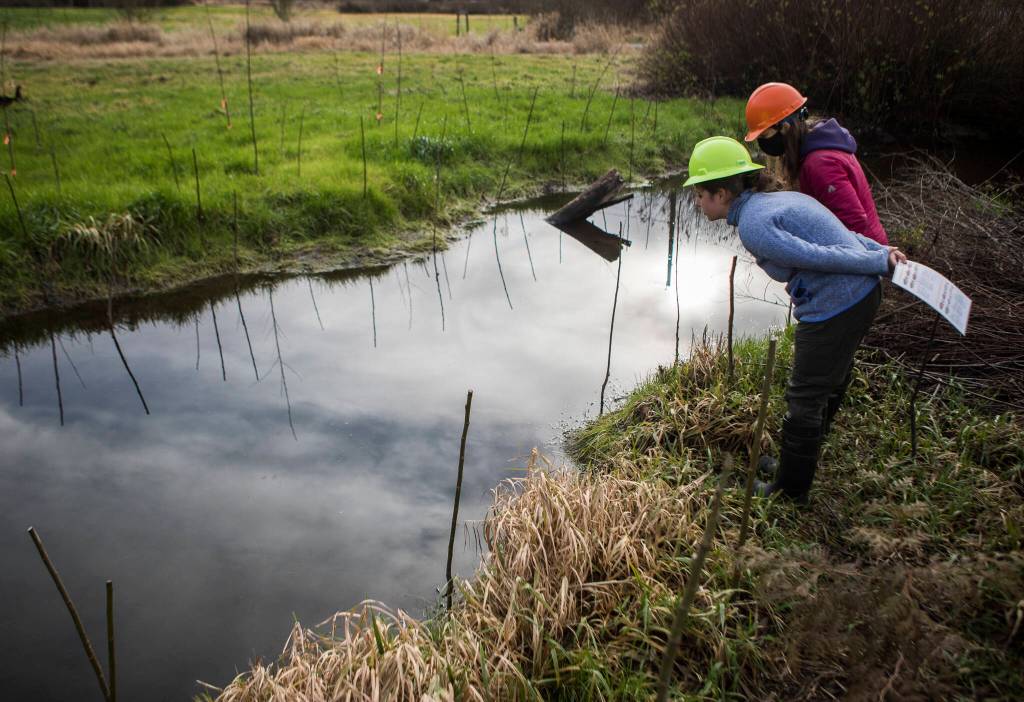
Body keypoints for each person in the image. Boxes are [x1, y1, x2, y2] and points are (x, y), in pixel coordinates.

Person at [683, 136, 907, 501]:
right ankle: (797, 464)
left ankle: (789, 491)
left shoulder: (754, 224)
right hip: (858, 297)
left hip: (838, 304)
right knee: (829, 383)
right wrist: (879, 251)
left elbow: (817, 255)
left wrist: (879, 261)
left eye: (699, 193)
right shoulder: (774, 202)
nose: (696, 201)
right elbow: (844, 236)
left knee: (805, 395)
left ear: (721, 194)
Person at [744, 82, 889, 246]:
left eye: (764, 135)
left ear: (785, 127)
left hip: (867, 255)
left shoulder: (821, 164)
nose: (763, 143)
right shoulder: (814, 149)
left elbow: (854, 223)